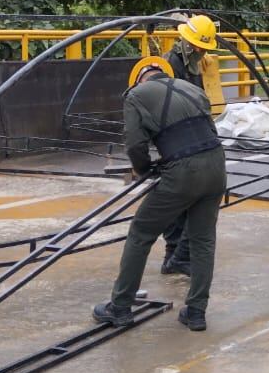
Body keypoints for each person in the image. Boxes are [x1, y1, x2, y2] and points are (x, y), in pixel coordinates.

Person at [94, 57, 226, 331]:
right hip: (216, 165)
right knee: (203, 241)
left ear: (139, 79)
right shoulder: (191, 88)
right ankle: (196, 312)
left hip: (182, 171)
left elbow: (135, 143)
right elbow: (209, 129)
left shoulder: (135, 96)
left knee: (141, 232)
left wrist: (143, 170)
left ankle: (120, 307)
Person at [161, 13, 222, 276]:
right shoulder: (170, 63)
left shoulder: (194, 63)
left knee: (191, 196)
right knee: (178, 197)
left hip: (192, 134)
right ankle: (173, 253)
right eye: (199, 46)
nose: (201, 52)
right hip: (173, 136)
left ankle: (177, 255)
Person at [168, 13, 225, 113]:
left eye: (203, 49)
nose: (198, 50)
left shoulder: (197, 63)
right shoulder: (172, 63)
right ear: (186, 39)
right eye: (195, 45)